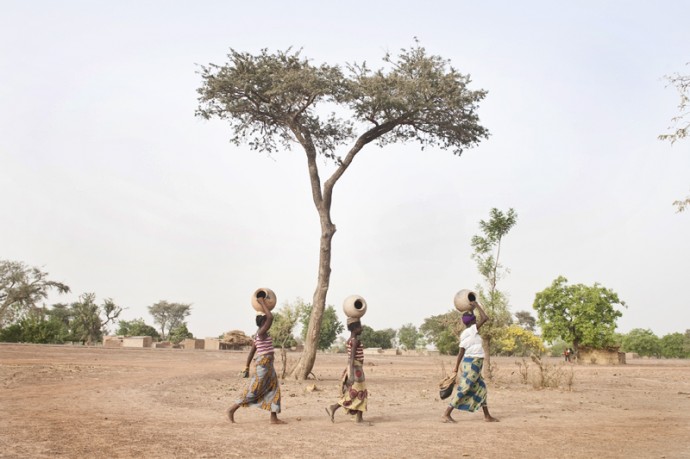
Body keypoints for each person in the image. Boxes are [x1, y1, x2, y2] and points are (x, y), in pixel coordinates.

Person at [226, 293, 285, 424]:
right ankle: (232, 409)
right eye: (266, 321)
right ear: (264, 322)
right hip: (263, 365)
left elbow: (251, 352)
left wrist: (246, 367)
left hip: (267, 365)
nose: (268, 323)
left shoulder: (258, 335)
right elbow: (270, 316)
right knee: (253, 390)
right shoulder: (261, 333)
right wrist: (262, 301)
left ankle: (273, 418)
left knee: (274, 388)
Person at [442, 301, 498, 423]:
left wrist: (456, 367)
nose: (477, 320)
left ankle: (487, 416)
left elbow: (461, 352)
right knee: (464, 388)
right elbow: (485, 318)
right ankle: (446, 414)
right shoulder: (472, 331)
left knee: (481, 388)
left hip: (472, 363)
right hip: (473, 364)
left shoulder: (466, 333)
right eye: (474, 319)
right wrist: (477, 304)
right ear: (473, 322)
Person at [326, 317, 368, 423]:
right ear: (355, 329)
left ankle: (357, 417)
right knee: (360, 393)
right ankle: (335, 408)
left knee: (357, 393)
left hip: (354, 369)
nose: (362, 328)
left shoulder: (349, 340)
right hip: (356, 369)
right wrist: (352, 375)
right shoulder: (355, 342)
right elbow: (352, 359)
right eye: (360, 327)